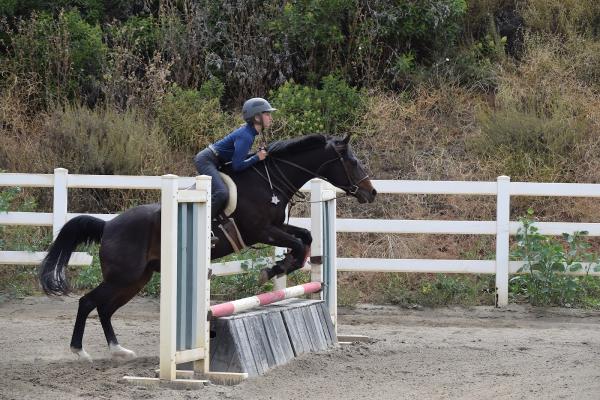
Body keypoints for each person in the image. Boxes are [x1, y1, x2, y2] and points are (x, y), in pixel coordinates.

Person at [193, 97, 276, 243]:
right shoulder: (246, 136)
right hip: (207, 160)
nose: (270, 117)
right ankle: (201, 230)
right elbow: (237, 166)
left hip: (216, 161)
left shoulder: (250, 133)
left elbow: (239, 158)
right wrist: (257, 158)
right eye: (267, 114)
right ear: (257, 117)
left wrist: (256, 156)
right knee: (222, 193)